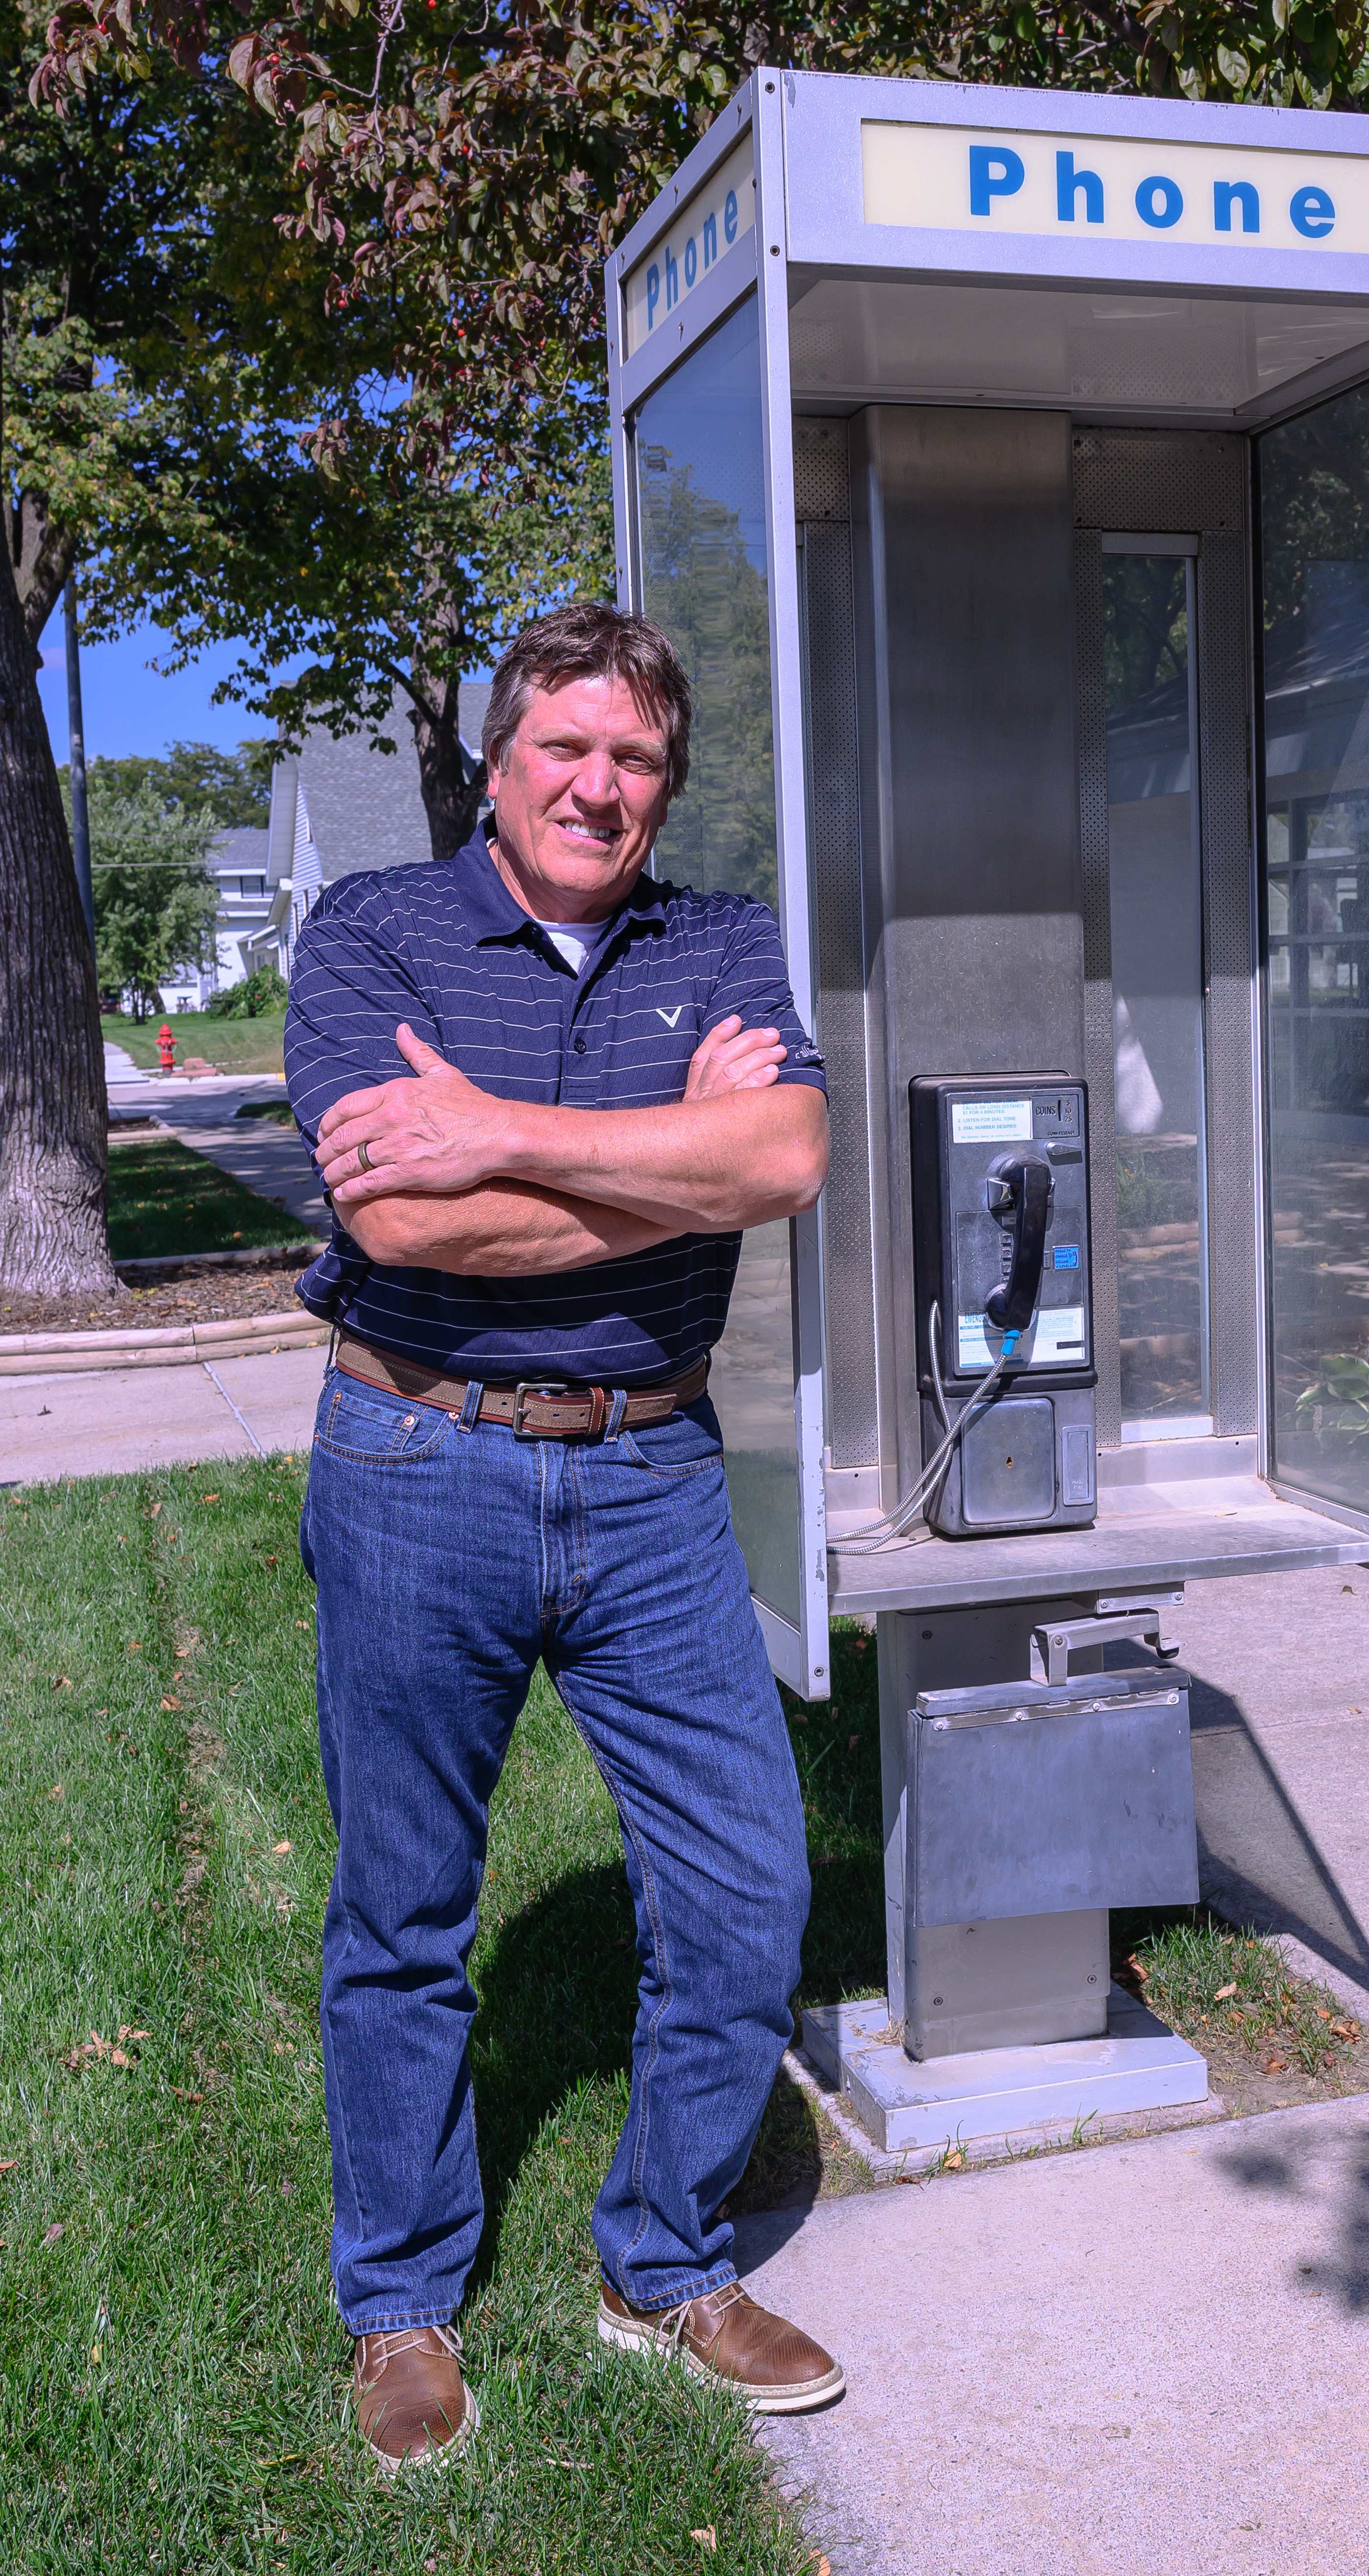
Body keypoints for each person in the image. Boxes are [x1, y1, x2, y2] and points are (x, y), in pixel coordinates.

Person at [284, 602, 840, 2478]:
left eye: (637, 762)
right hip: (414, 1456)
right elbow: (405, 1232)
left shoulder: (726, 937)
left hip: (652, 1474)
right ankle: (402, 2299)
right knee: (405, 1905)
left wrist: (499, 1134)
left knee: (751, 1880)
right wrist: (662, 1166)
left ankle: (665, 2259)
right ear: (502, 758)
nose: (602, 787)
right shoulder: (373, 928)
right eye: (567, 751)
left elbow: (780, 1167)